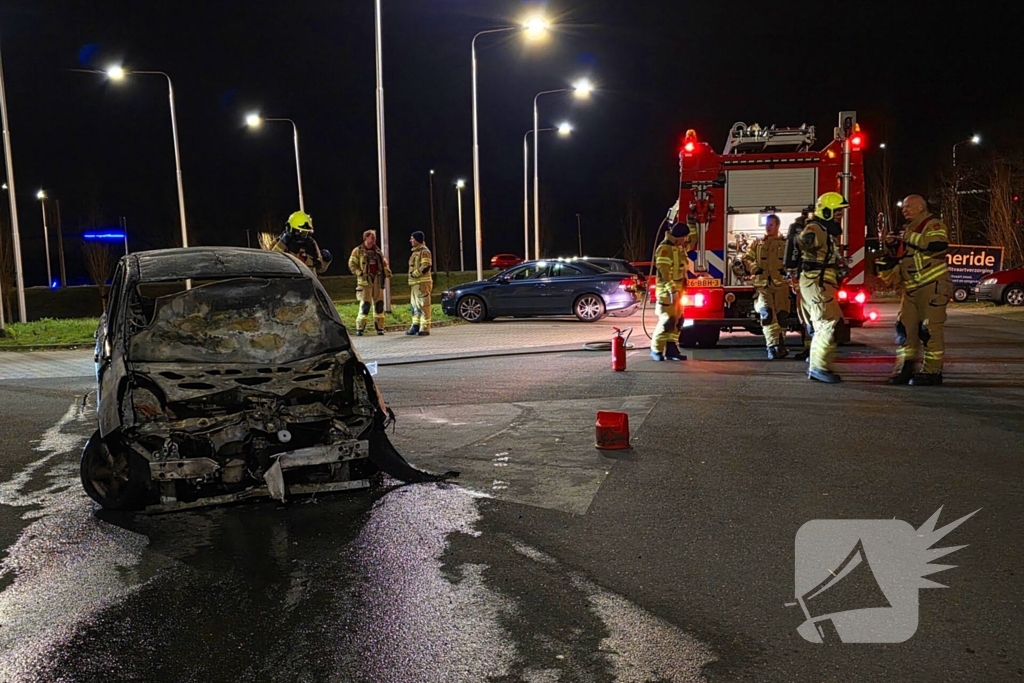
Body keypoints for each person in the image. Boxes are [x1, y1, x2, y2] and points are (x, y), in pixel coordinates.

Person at [875, 194, 953, 386]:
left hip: (932, 287)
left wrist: (909, 237)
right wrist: (893, 244)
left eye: (909, 207)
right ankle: (904, 369)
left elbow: (938, 244)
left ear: (921, 208)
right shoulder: (907, 230)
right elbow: (905, 258)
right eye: (903, 208)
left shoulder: (934, 225)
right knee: (905, 330)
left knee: (929, 330)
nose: (904, 210)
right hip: (910, 290)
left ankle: (932, 372)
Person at [797, 193, 848, 383]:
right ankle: (817, 367)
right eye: (837, 212)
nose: (839, 215)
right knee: (826, 323)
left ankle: (820, 364)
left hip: (821, 283)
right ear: (826, 211)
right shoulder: (815, 228)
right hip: (816, 283)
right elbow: (805, 240)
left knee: (830, 323)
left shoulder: (825, 231)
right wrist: (805, 237)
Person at [743, 214, 791, 359]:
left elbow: (793, 261)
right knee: (767, 314)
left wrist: (787, 271)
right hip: (763, 285)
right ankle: (772, 346)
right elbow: (747, 258)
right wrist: (754, 268)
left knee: (782, 316)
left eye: (771, 224)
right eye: (767, 225)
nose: (768, 227)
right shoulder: (757, 243)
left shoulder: (786, 243)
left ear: (777, 226)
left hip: (781, 284)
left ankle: (780, 345)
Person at [650, 219, 695, 362]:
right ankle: (656, 350)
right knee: (667, 321)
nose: (686, 241)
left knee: (677, 321)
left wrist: (693, 225)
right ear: (679, 237)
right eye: (684, 237)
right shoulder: (664, 249)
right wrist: (672, 290)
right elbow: (664, 272)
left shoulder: (678, 247)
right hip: (667, 293)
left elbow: (692, 243)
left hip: (678, 291)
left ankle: (671, 349)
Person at [348, 230, 392, 336]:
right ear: (366, 238)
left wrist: (386, 270)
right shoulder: (358, 251)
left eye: (374, 237)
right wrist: (360, 273)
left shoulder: (377, 251)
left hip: (377, 279)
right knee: (365, 305)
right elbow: (352, 264)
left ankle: (380, 327)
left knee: (379, 304)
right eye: (372, 237)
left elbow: (383, 263)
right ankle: (360, 327)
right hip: (365, 281)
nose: (374, 240)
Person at [272, 211, 332, 276]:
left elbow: (319, 269)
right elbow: (273, 262)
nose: (303, 236)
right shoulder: (282, 242)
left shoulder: (311, 243)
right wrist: (283, 243)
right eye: (300, 232)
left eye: (305, 233)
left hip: (308, 283)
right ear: (291, 229)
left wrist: (326, 261)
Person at [406, 231, 433, 337]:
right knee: (414, 306)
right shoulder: (415, 252)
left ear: (418, 240)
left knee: (423, 305)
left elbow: (426, 266)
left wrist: (415, 274)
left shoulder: (424, 251)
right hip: (415, 284)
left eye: (412, 238)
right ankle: (415, 325)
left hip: (422, 283)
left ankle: (425, 327)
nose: (410, 240)